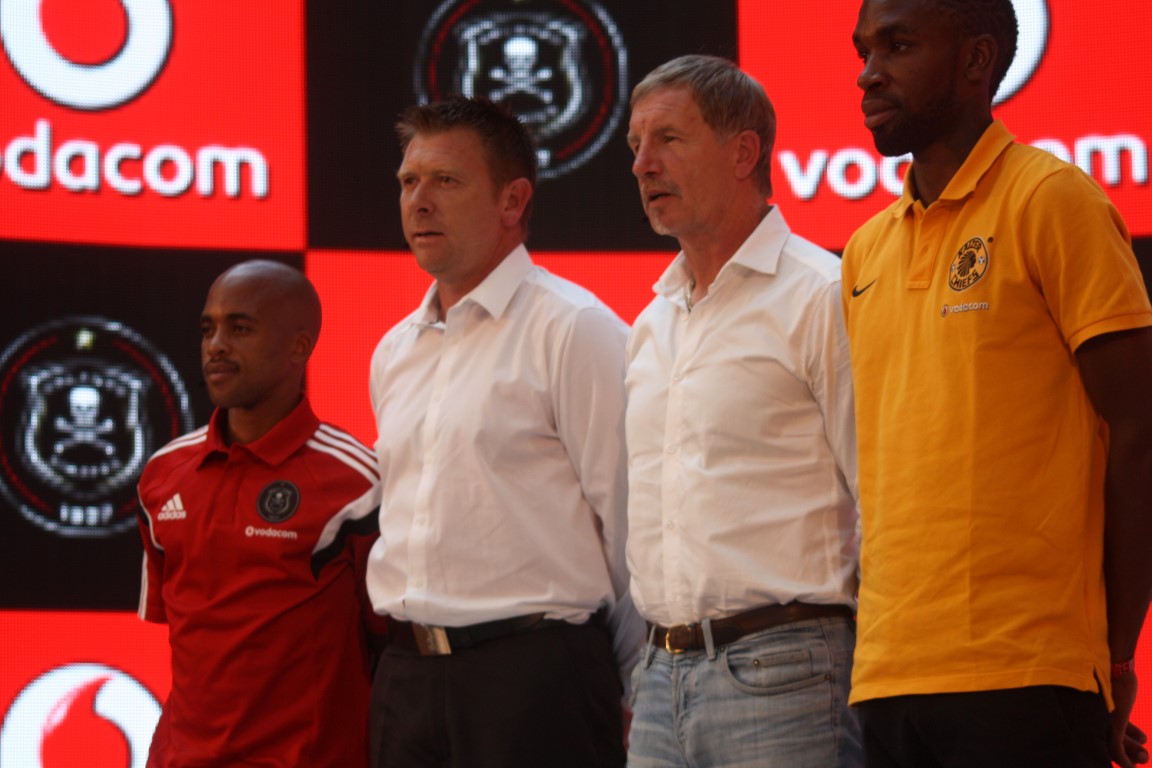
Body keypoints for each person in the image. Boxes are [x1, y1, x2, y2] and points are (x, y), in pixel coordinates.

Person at [846, 1, 1152, 766]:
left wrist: (1116, 656)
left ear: (976, 60)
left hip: (1028, 670)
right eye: (864, 51)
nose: (868, 73)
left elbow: (1140, 434)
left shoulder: (1053, 199)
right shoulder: (863, 250)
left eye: (898, 46)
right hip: (886, 671)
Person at [365, 96, 643, 768]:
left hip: (536, 679)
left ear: (513, 201)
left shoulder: (574, 328)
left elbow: (633, 523)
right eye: (408, 181)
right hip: (406, 675)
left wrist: (640, 687)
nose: (419, 201)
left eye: (446, 181)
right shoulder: (393, 350)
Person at [624, 54, 863, 767]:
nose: (642, 164)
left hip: (787, 671)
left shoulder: (822, 294)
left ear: (743, 152)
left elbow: (882, 498)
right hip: (658, 676)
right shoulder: (650, 323)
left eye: (668, 139)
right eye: (635, 144)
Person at [136, 260, 383, 767]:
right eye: (208, 329)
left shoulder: (357, 481)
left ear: (299, 347)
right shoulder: (162, 475)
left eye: (240, 328)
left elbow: (394, 647)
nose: (216, 346)